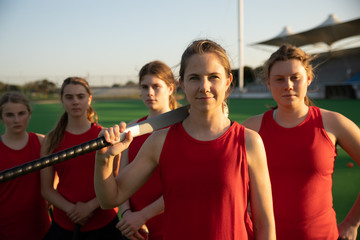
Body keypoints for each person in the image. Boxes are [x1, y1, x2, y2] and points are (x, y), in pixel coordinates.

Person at [94, 39, 276, 240]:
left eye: (213, 77)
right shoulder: (159, 141)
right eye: (194, 78)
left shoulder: (249, 141)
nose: (204, 86)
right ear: (182, 83)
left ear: (227, 81)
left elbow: (264, 223)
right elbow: (110, 198)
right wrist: (104, 160)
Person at [242, 44, 360, 240]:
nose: (288, 85)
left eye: (295, 78)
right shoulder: (251, 128)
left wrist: (352, 223)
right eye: (279, 79)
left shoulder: (333, 123)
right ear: (268, 84)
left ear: (308, 79)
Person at [40, 77, 123, 239]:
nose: (75, 102)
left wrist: (90, 206)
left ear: (89, 98)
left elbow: (116, 181)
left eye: (80, 96)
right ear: (62, 100)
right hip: (64, 223)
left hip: (104, 222)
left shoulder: (105, 136)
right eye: (69, 97)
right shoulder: (51, 140)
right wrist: (71, 209)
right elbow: (47, 189)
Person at [117, 60, 177, 240]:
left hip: (173, 224)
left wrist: (143, 215)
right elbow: (121, 179)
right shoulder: (132, 128)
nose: (149, 92)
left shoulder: (183, 127)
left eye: (156, 86)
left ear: (171, 89)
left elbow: (182, 186)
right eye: (144, 87)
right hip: (134, 227)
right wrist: (127, 213)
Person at [0, 92, 51, 239]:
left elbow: (55, 177)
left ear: (29, 114)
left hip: (41, 228)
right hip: (5, 230)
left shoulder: (42, 142)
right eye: (10, 115)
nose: (16, 120)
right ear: (2, 117)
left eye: (21, 113)